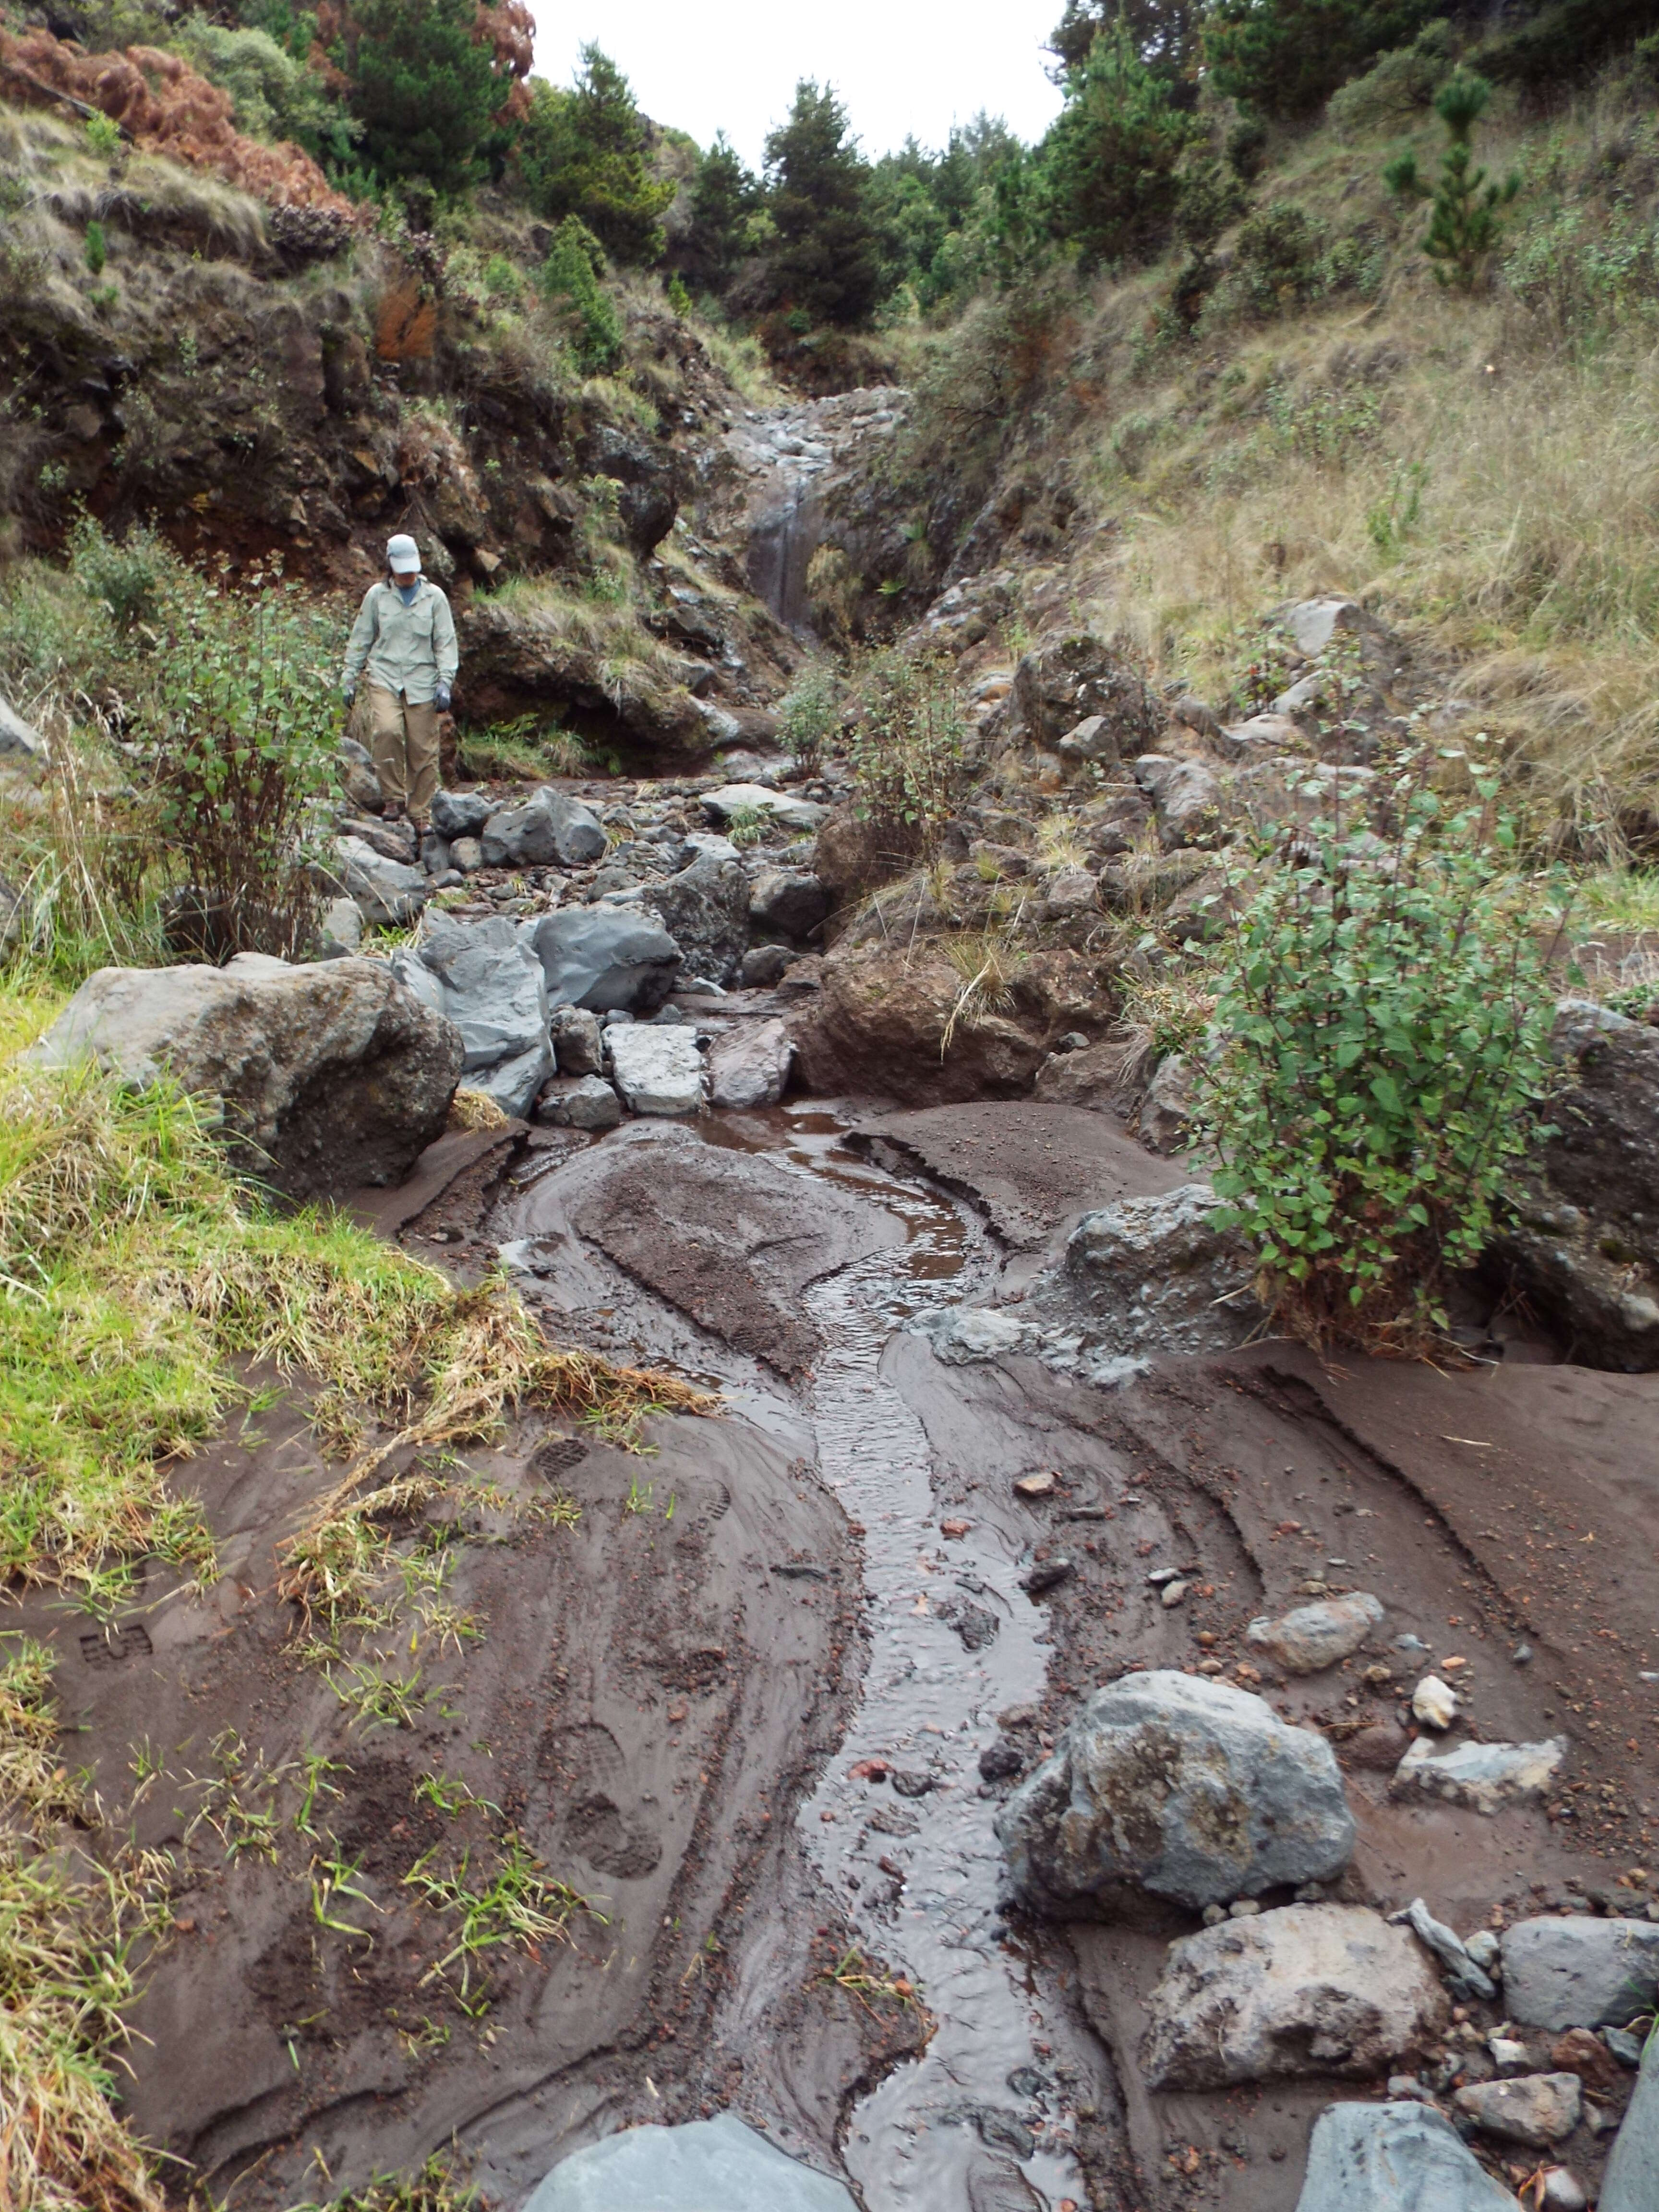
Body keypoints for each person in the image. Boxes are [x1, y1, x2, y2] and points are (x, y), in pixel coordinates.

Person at [340, 533, 457, 833]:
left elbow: (445, 643)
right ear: (390, 565)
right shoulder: (376, 597)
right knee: (388, 731)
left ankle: (421, 813)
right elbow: (361, 638)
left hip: (423, 680)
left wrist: (445, 682)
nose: (408, 574)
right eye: (402, 568)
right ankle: (393, 799)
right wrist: (349, 678)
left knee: (423, 747)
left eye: (412, 567)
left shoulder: (435, 598)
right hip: (385, 677)